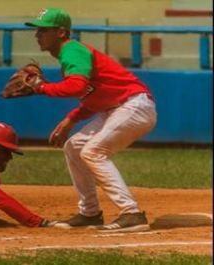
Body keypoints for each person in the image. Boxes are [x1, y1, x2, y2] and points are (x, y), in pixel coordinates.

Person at [23, 8, 157, 232]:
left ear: (61, 32)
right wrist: (71, 119)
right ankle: (90, 213)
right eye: (38, 29)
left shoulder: (72, 50)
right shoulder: (71, 54)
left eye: (44, 30)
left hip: (134, 105)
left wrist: (41, 88)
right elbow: (94, 96)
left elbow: (76, 86)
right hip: (119, 107)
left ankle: (132, 213)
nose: (38, 34)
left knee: (93, 152)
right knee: (74, 147)